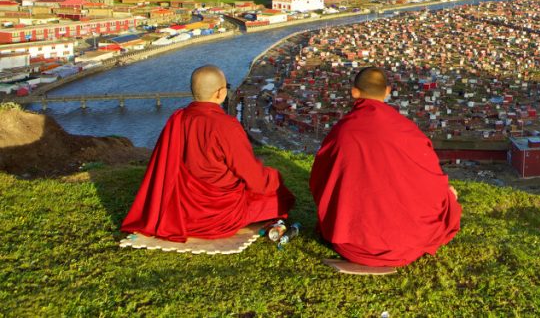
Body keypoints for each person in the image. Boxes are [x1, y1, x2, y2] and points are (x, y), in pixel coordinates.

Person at [121, 65, 294, 241]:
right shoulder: (226, 126)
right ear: (220, 93)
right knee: (278, 198)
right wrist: (275, 179)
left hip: (180, 212)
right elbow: (253, 176)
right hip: (221, 214)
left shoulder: (178, 119)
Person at [310, 66, 461, 267]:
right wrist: (446, 194)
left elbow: (319, 182)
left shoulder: (342, 133)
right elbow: (430, 180)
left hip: (350, 243)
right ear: (387, 91)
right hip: (408, 242)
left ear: (354, 92)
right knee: (447, 195)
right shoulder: (408, 131)